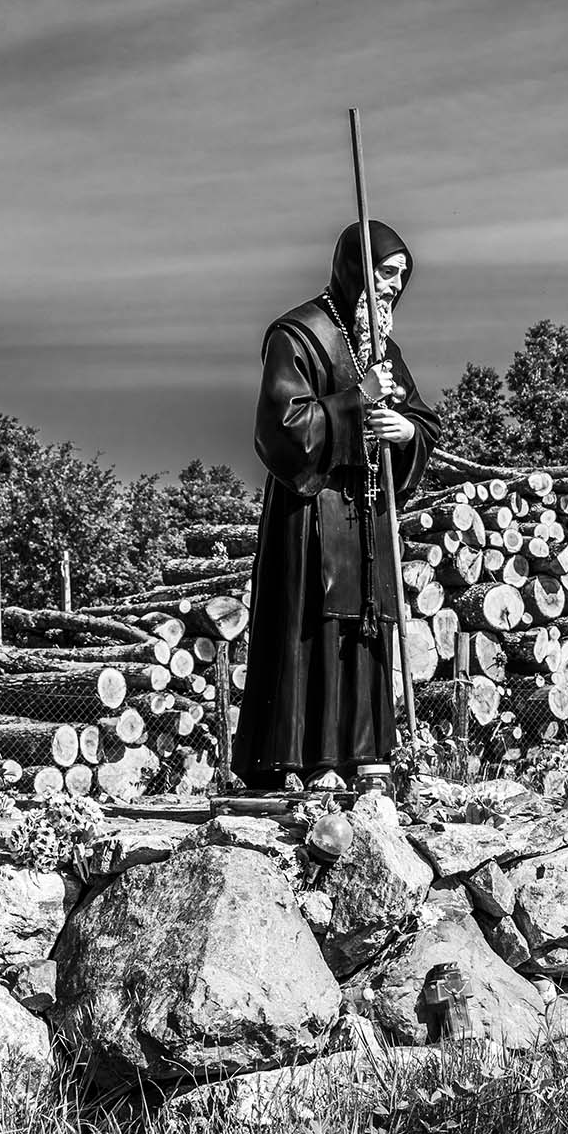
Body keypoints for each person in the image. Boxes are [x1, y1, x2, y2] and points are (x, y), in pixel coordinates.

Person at [232, 220, 440, 794]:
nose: (395, 286)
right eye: (385, 272)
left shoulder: (385, 350)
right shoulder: (298, 335)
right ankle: (304, 757)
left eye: (402, 277)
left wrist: (406, 431)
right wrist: (357, 401)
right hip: (312, 511)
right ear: (354, 269)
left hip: (368, 511)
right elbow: (283, 428)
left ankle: (362, 750)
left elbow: (420, 422)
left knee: (368, 623)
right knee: (313, 627)